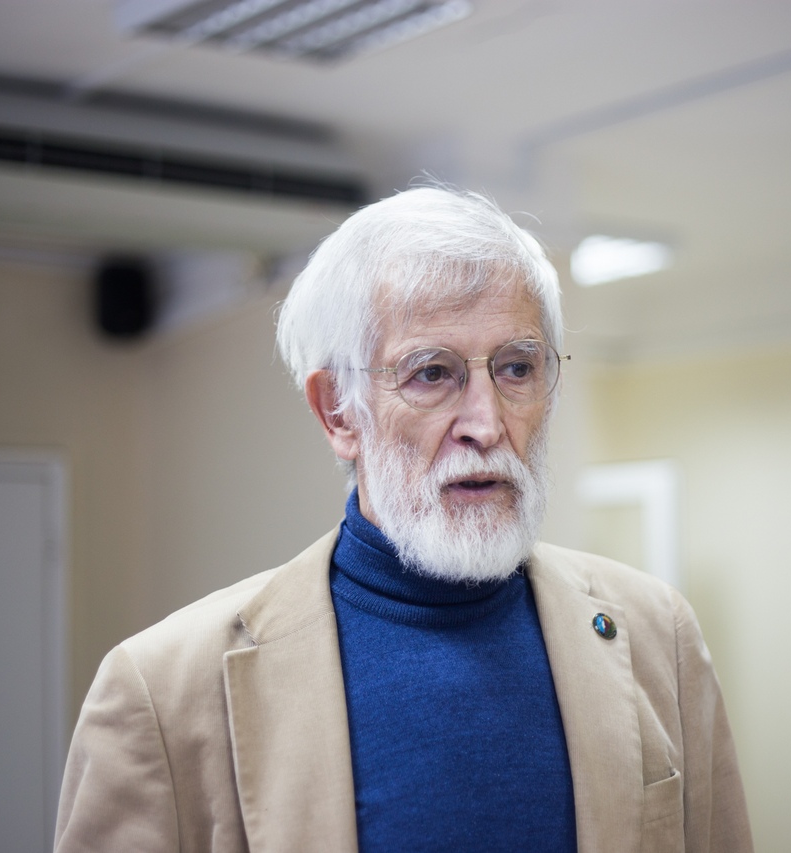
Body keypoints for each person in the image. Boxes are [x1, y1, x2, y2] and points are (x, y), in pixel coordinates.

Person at [54, 186, 752, 853]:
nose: (486, 423)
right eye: (431, 373)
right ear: (338, 411)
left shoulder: (659, 635)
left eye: (516, 368)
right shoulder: (161, 692)